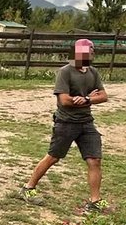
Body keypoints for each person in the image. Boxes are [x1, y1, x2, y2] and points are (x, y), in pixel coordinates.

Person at [14, 38, 108, 211]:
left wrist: (86, 98)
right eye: (89, 51)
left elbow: (103, 96)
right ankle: (28, 188)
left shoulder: (93, 72)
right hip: (66, 123)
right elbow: (64, 100)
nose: (92, 53)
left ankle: (95, 201)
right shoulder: (65, 72)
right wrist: (86, 98)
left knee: (94, 160)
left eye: (93, 51)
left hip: (86, 123)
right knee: (53, 157)